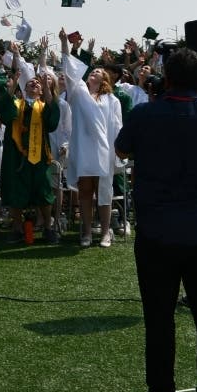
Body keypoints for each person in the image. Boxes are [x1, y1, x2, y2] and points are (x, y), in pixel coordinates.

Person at [115, 47, 197, 392]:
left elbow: (123, 150)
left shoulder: (145, 113)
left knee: (159, 319)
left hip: (157, 234)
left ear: (165, 79)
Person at [0, 37, 61, 244]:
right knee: (15, 192)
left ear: (41, 91)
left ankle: (47, 227)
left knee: (43, 192)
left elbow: (52, 122)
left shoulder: (44, 106)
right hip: (15, 155)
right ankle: (17, 229)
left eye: (37, 83)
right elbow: (4, 112)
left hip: (39, 156)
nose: (34, 83)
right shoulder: (16, 103)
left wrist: (47, 88)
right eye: (30, 83)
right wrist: (10, 88)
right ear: (22, 88)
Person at [60, 28, 123, 249]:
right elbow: (68, 69)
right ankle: (86, 232)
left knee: (104, 192)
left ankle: (106, 232)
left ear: (104, 79)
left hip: (104, 150)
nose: (93, 73)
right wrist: (64, 44)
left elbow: (117, 126)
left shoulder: (112, 99)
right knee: (85, 191)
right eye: (92, 71)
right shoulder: (78, 92)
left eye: (97, 72)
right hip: (82, 148)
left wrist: (117, 153)